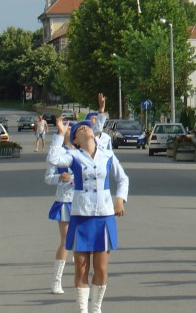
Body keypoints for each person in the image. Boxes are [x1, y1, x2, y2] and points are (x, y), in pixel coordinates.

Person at [47, 115, 129, 313]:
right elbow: (54, 159)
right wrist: (60, 133)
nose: (85, 129)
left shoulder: (107, 155)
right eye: (80, 130)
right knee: (81, 267)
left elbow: (122, 178)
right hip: (81, 215)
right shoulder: (73, 156)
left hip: (104, 215)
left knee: (101, 269)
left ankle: (96, 307)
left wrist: (120, 199)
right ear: (75, 140)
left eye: (87, 128)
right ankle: (83, 310)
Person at [45, 125, 75, 294]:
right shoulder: (56, 154)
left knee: (83, 242)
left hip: (84, 201)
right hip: (65, 200)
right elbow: (48, 178)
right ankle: (56, 280)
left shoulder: (82, 152)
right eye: (66, 127)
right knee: (66, 241)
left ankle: (83, 278)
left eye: (72, 127)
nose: (70, 129)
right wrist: (60, 177)